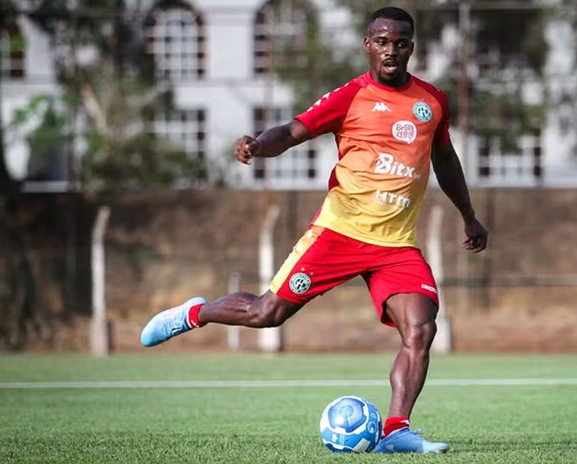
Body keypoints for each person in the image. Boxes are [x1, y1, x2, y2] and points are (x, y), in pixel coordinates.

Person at [140, 6, 487, 454]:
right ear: (368, 44)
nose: (392, 51)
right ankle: (195, 313)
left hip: (396, 245)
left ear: (412, 47)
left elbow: (445, 159)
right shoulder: (351, 97)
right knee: (267, 314)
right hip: (339, 233)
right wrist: (257, 145)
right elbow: (292, 130)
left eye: (401, 43)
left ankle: (397, 429)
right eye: (382, 41)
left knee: (420, 329)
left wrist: (469, 214)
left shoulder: (433, 102)